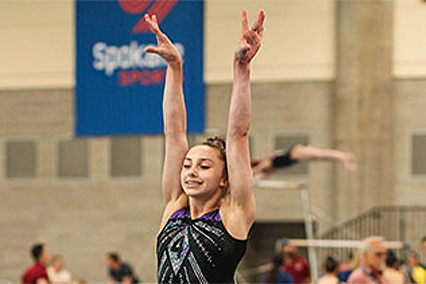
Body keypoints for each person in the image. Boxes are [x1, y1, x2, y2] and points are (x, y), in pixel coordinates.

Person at [144, 9, 265, 283]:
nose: (191, 172)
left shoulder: (233, 214)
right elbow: (174, 133)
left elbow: (238, 134)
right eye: (187, 165)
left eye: (204, 166)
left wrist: (241, 69)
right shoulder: (175, 205)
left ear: (224, 179)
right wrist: (174, 68)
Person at [252, 144, 355, 179]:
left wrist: (252, 174)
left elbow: (257, 170)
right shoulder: (271, 168)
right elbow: (264, 175)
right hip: (298, 156)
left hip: (296, 152)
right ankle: (343, 157)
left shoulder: (266, 162)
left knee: (321, 154)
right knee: (322, 157)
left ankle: (345, 156)